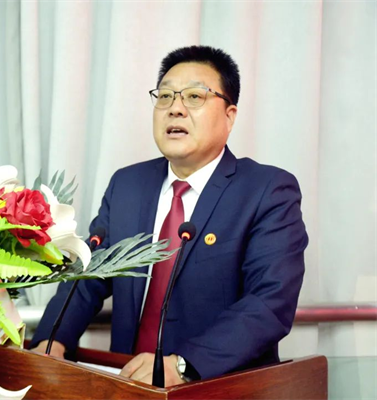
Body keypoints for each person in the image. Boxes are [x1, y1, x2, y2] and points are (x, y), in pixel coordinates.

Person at [30, 45, 308, 386]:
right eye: (164, 96)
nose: (175, 108)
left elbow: (269, 302)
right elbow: (89, 277)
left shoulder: (266, 190)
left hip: (217, 388)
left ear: (229, 116)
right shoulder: (127, 185)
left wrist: (182, 366)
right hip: (127, 384)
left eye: (194, 96)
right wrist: (53, 340)